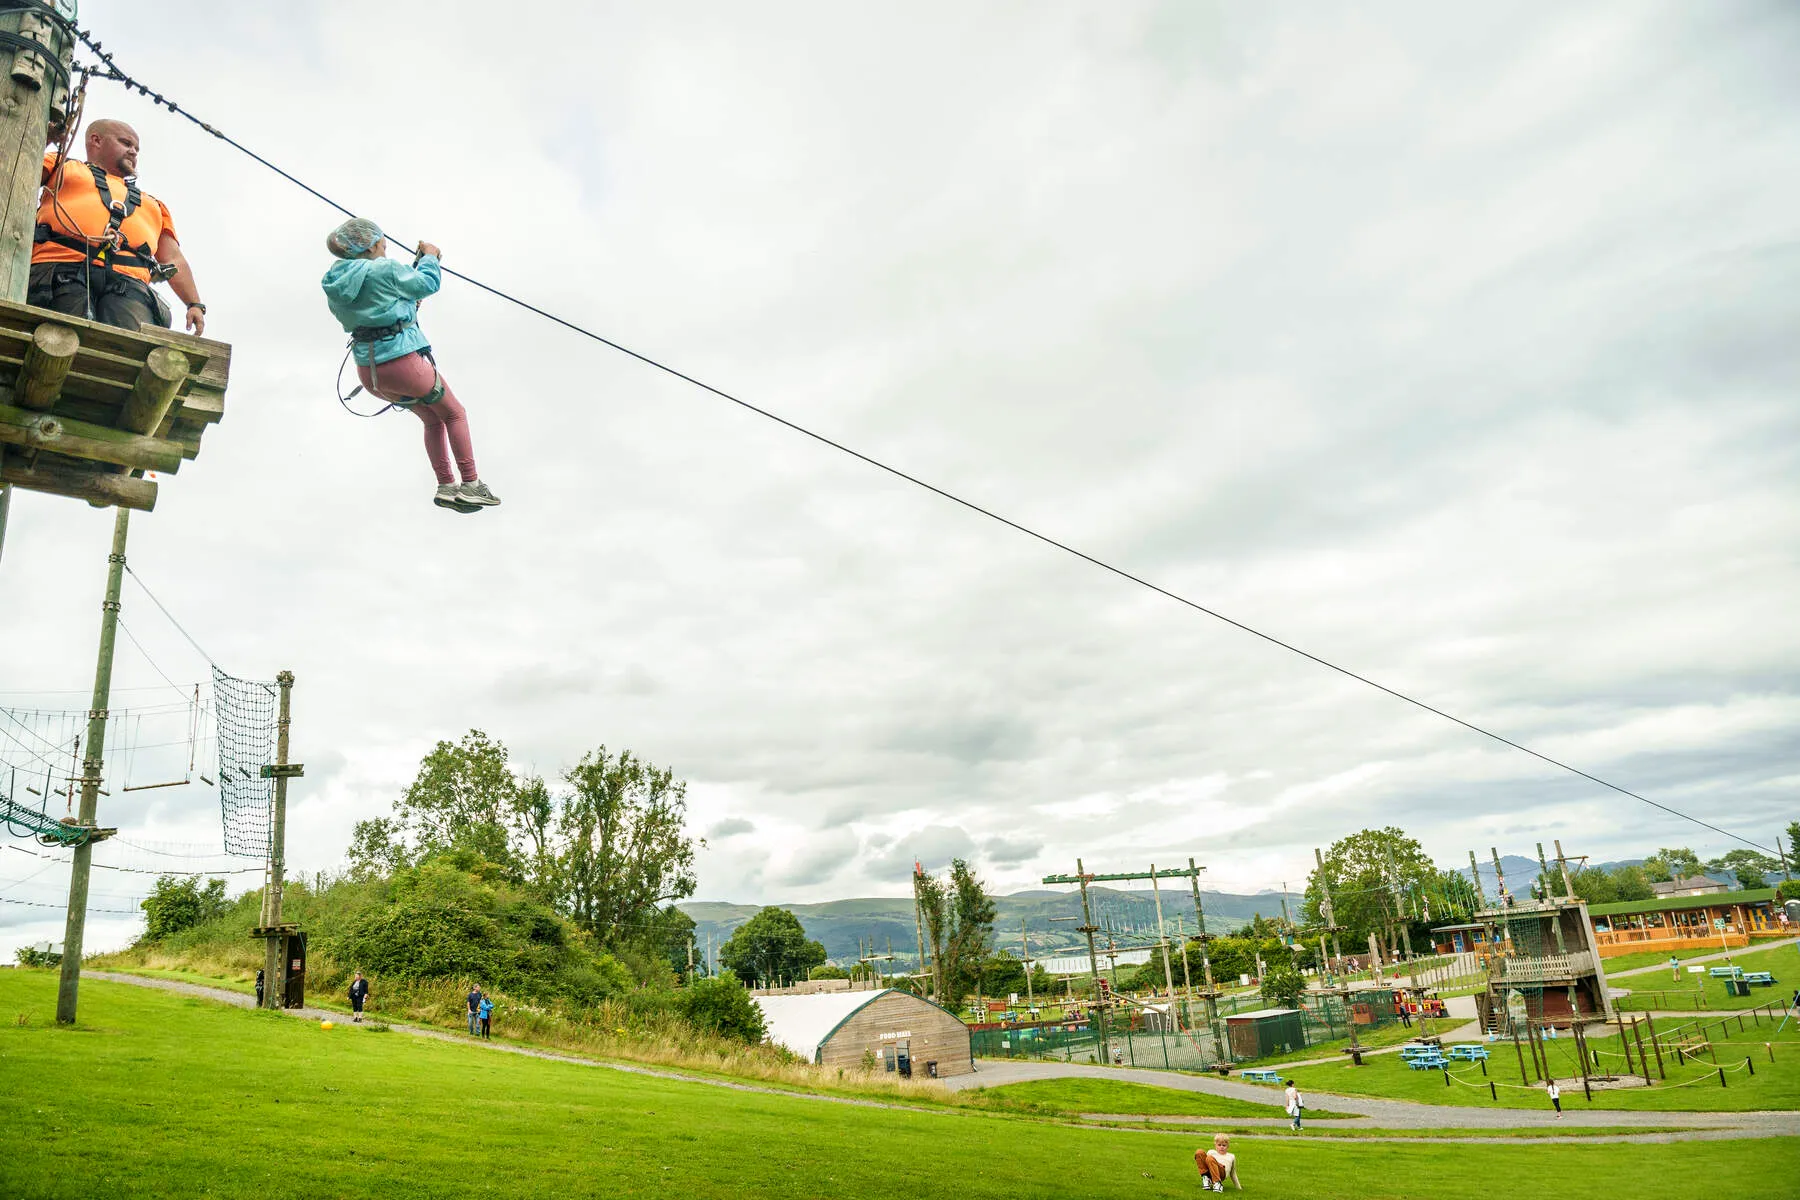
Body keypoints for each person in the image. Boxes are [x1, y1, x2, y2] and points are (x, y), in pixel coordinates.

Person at [320, 217, 500, 514]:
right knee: (454, 413)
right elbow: (428, 284)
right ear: (371, 245)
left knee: (432, 419)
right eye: (382, 244)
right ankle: (471, 484)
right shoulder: (385, 269)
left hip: (370, 372)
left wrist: (409, 278)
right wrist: (429, 257)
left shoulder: (334, 281)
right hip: (402, 363)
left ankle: (446, 485)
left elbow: (382, 300)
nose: (386, 248)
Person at [30, 118, 206, 333]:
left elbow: (173, 258)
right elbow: (17, 171)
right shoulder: (62, 165)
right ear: (96, 140)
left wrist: (194, 304)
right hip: (62, 271)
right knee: (62, 336)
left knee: (125, 347)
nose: (133, 152)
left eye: (136, 149)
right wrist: (47, 138)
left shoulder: (154, 205)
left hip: (128, 286)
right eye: (125, 143)